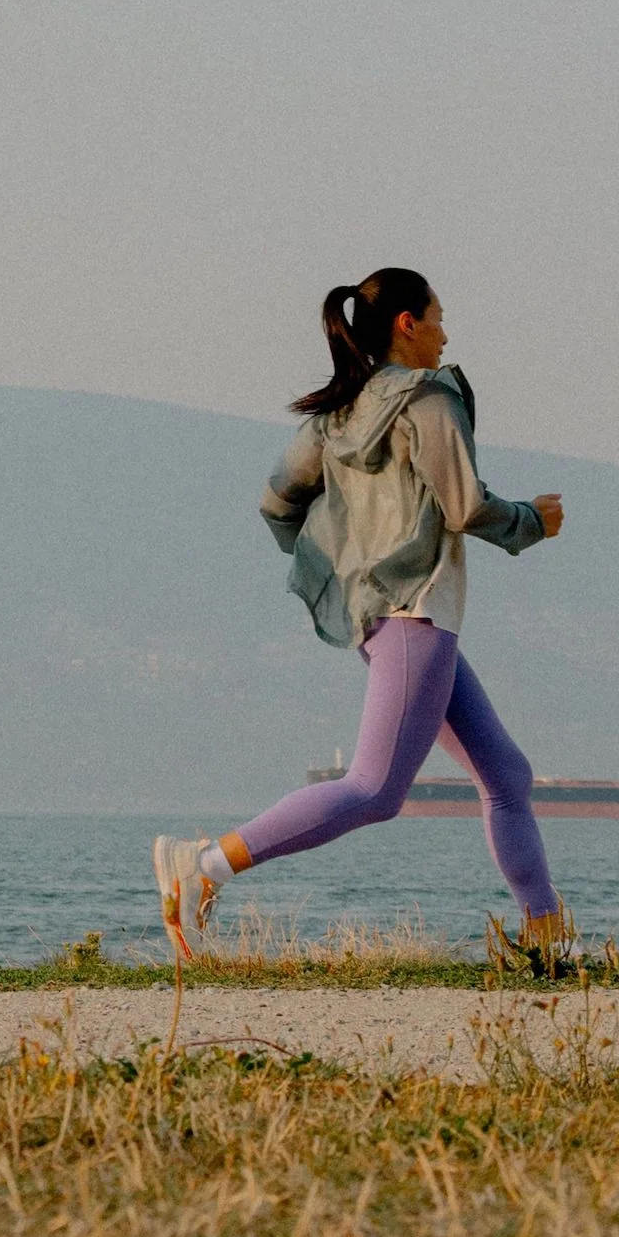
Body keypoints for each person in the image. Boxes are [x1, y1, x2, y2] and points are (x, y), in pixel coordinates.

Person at [155, 266, 574, 967]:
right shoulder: (430, 401)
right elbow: (466, 507)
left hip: (383, 617)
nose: (446, 333)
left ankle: (546, 935)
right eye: (438, 318)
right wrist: (535, 520)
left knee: (505, 774)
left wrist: (344, 561)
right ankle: (202, 869)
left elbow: (276, 502)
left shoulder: (338, 415)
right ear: (407, 324)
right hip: (416, 615)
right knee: (375, 791)